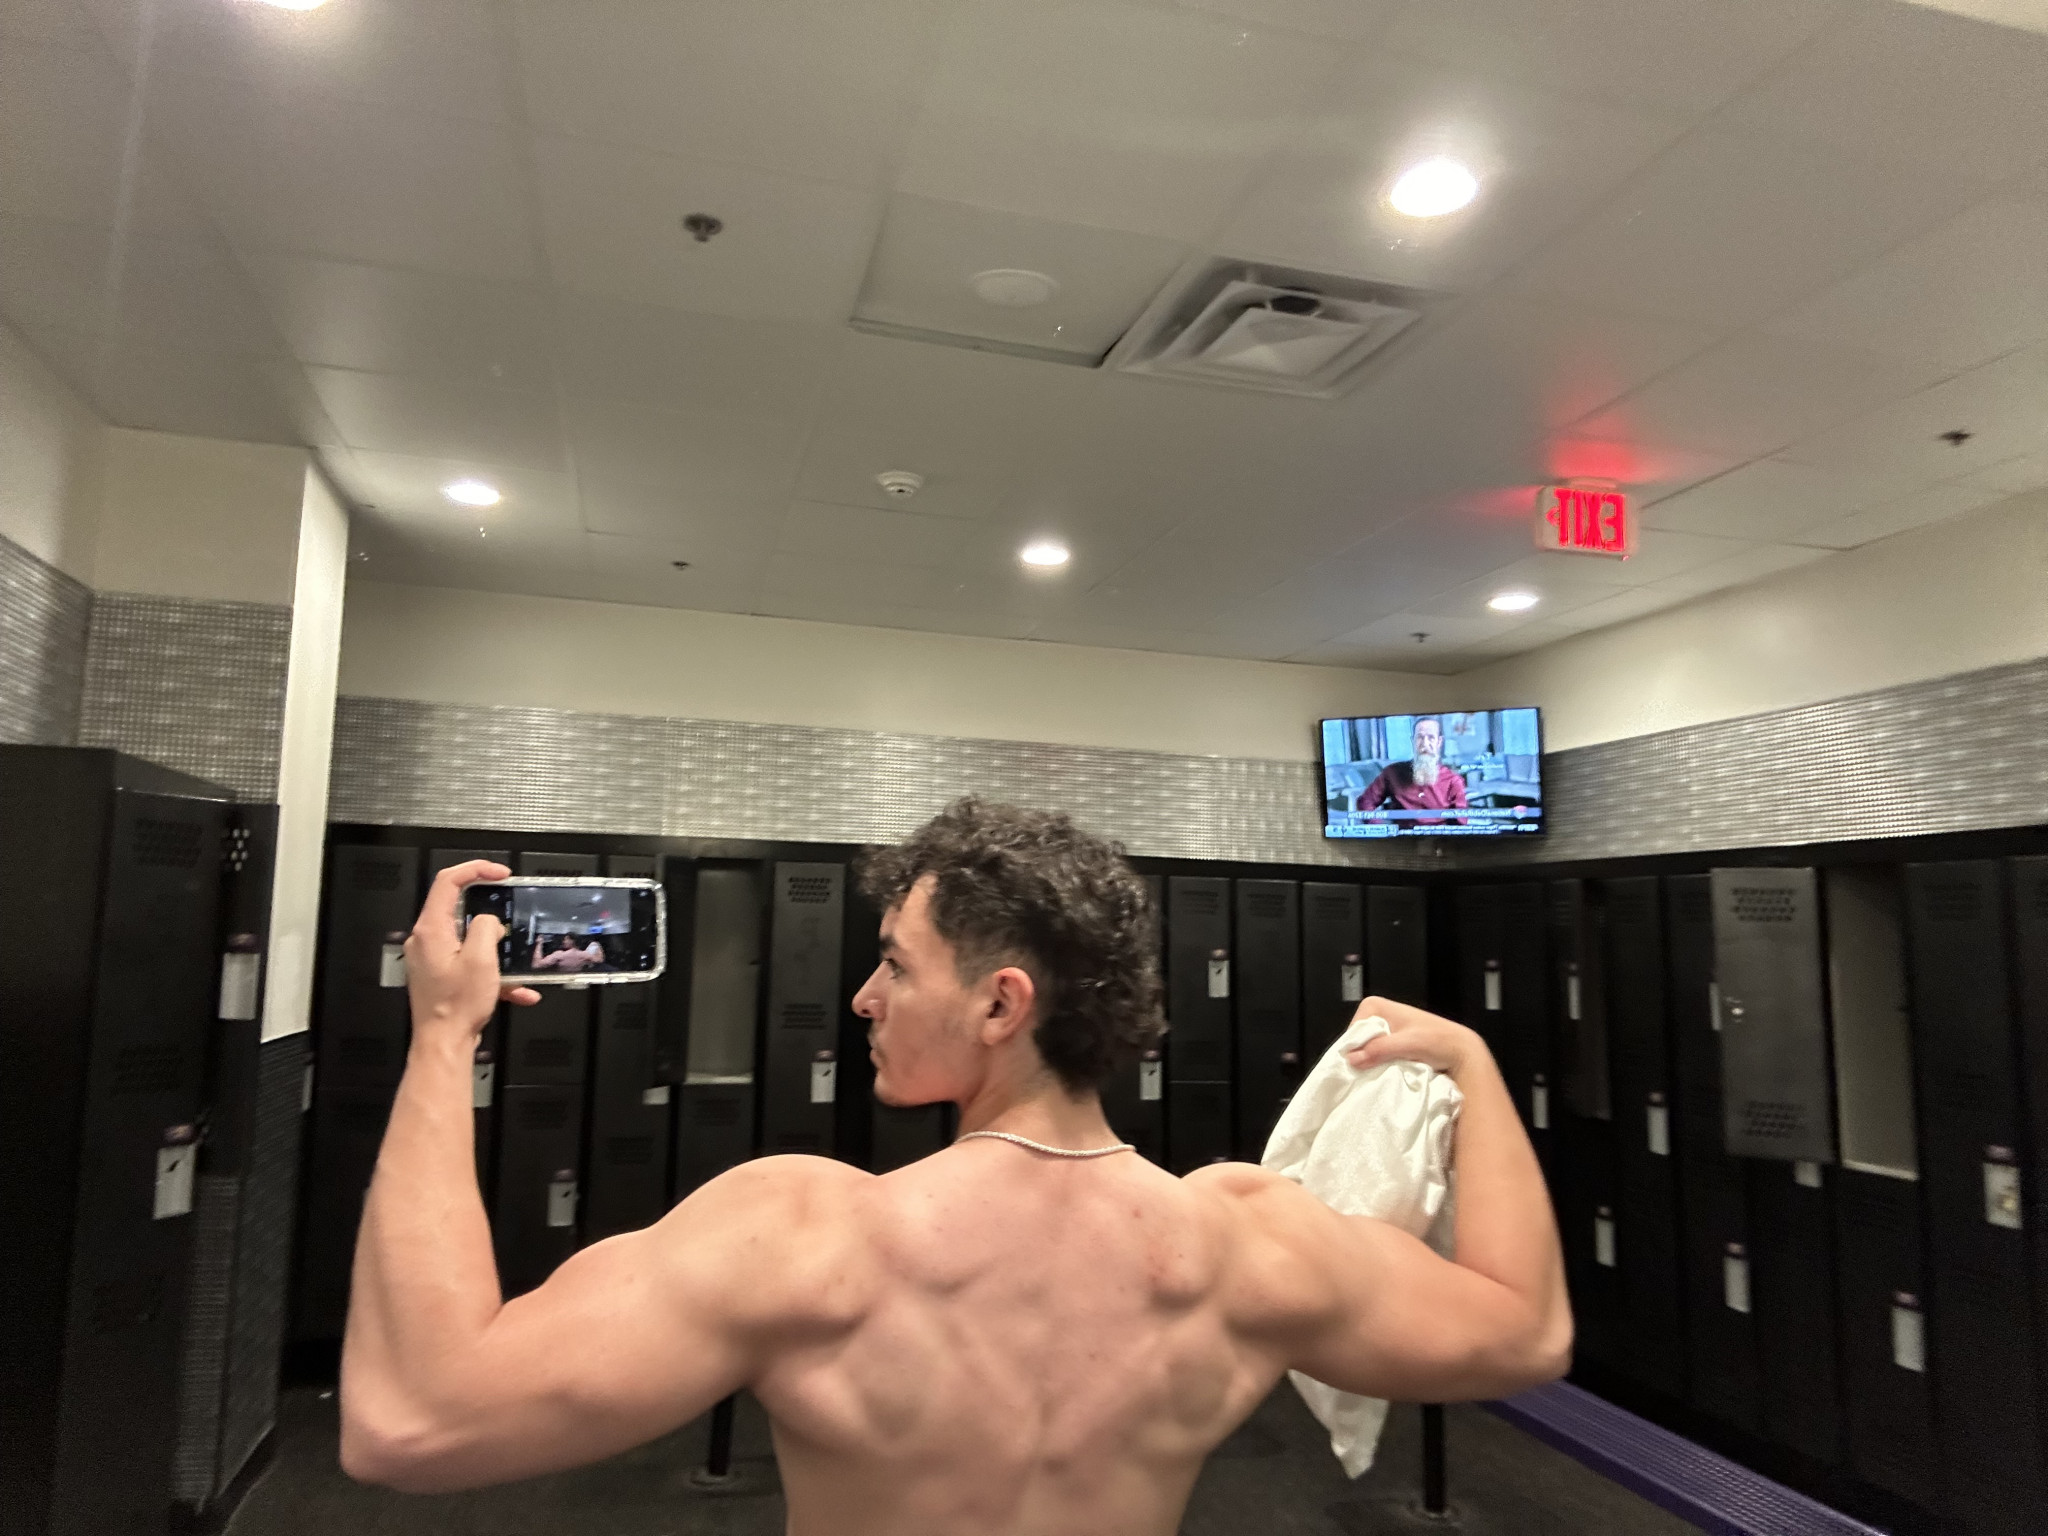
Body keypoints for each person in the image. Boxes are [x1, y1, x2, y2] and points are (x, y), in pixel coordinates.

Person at [340, 801, 1568, 1535]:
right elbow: (1522, 1330)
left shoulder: (806, 1233)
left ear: (999, 1004)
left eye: (894, 962)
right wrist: (1468, 1064)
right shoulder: (1246, 1240)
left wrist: (443, 1038)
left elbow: (412, 1419)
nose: (863, 998)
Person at [1353, 716, 1469, 826]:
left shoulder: (1453, 780)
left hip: (1439, 838)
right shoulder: (1392, 773)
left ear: (1439, 742)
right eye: (1420, 737)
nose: (1424, 744)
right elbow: (1365, 802)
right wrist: (1381, 830)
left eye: (1431, 737)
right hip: (1403, 838)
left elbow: (1461, 821)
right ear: (1412, 741)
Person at [530, 933, 605, 972]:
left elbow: (536, 965)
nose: (563, 941)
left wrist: (539, 944)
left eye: (565, 939)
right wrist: (597, 945)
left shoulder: (560, 955)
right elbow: (600, 959)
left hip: (560, 984)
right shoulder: (584, 955)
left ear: (572, 941)